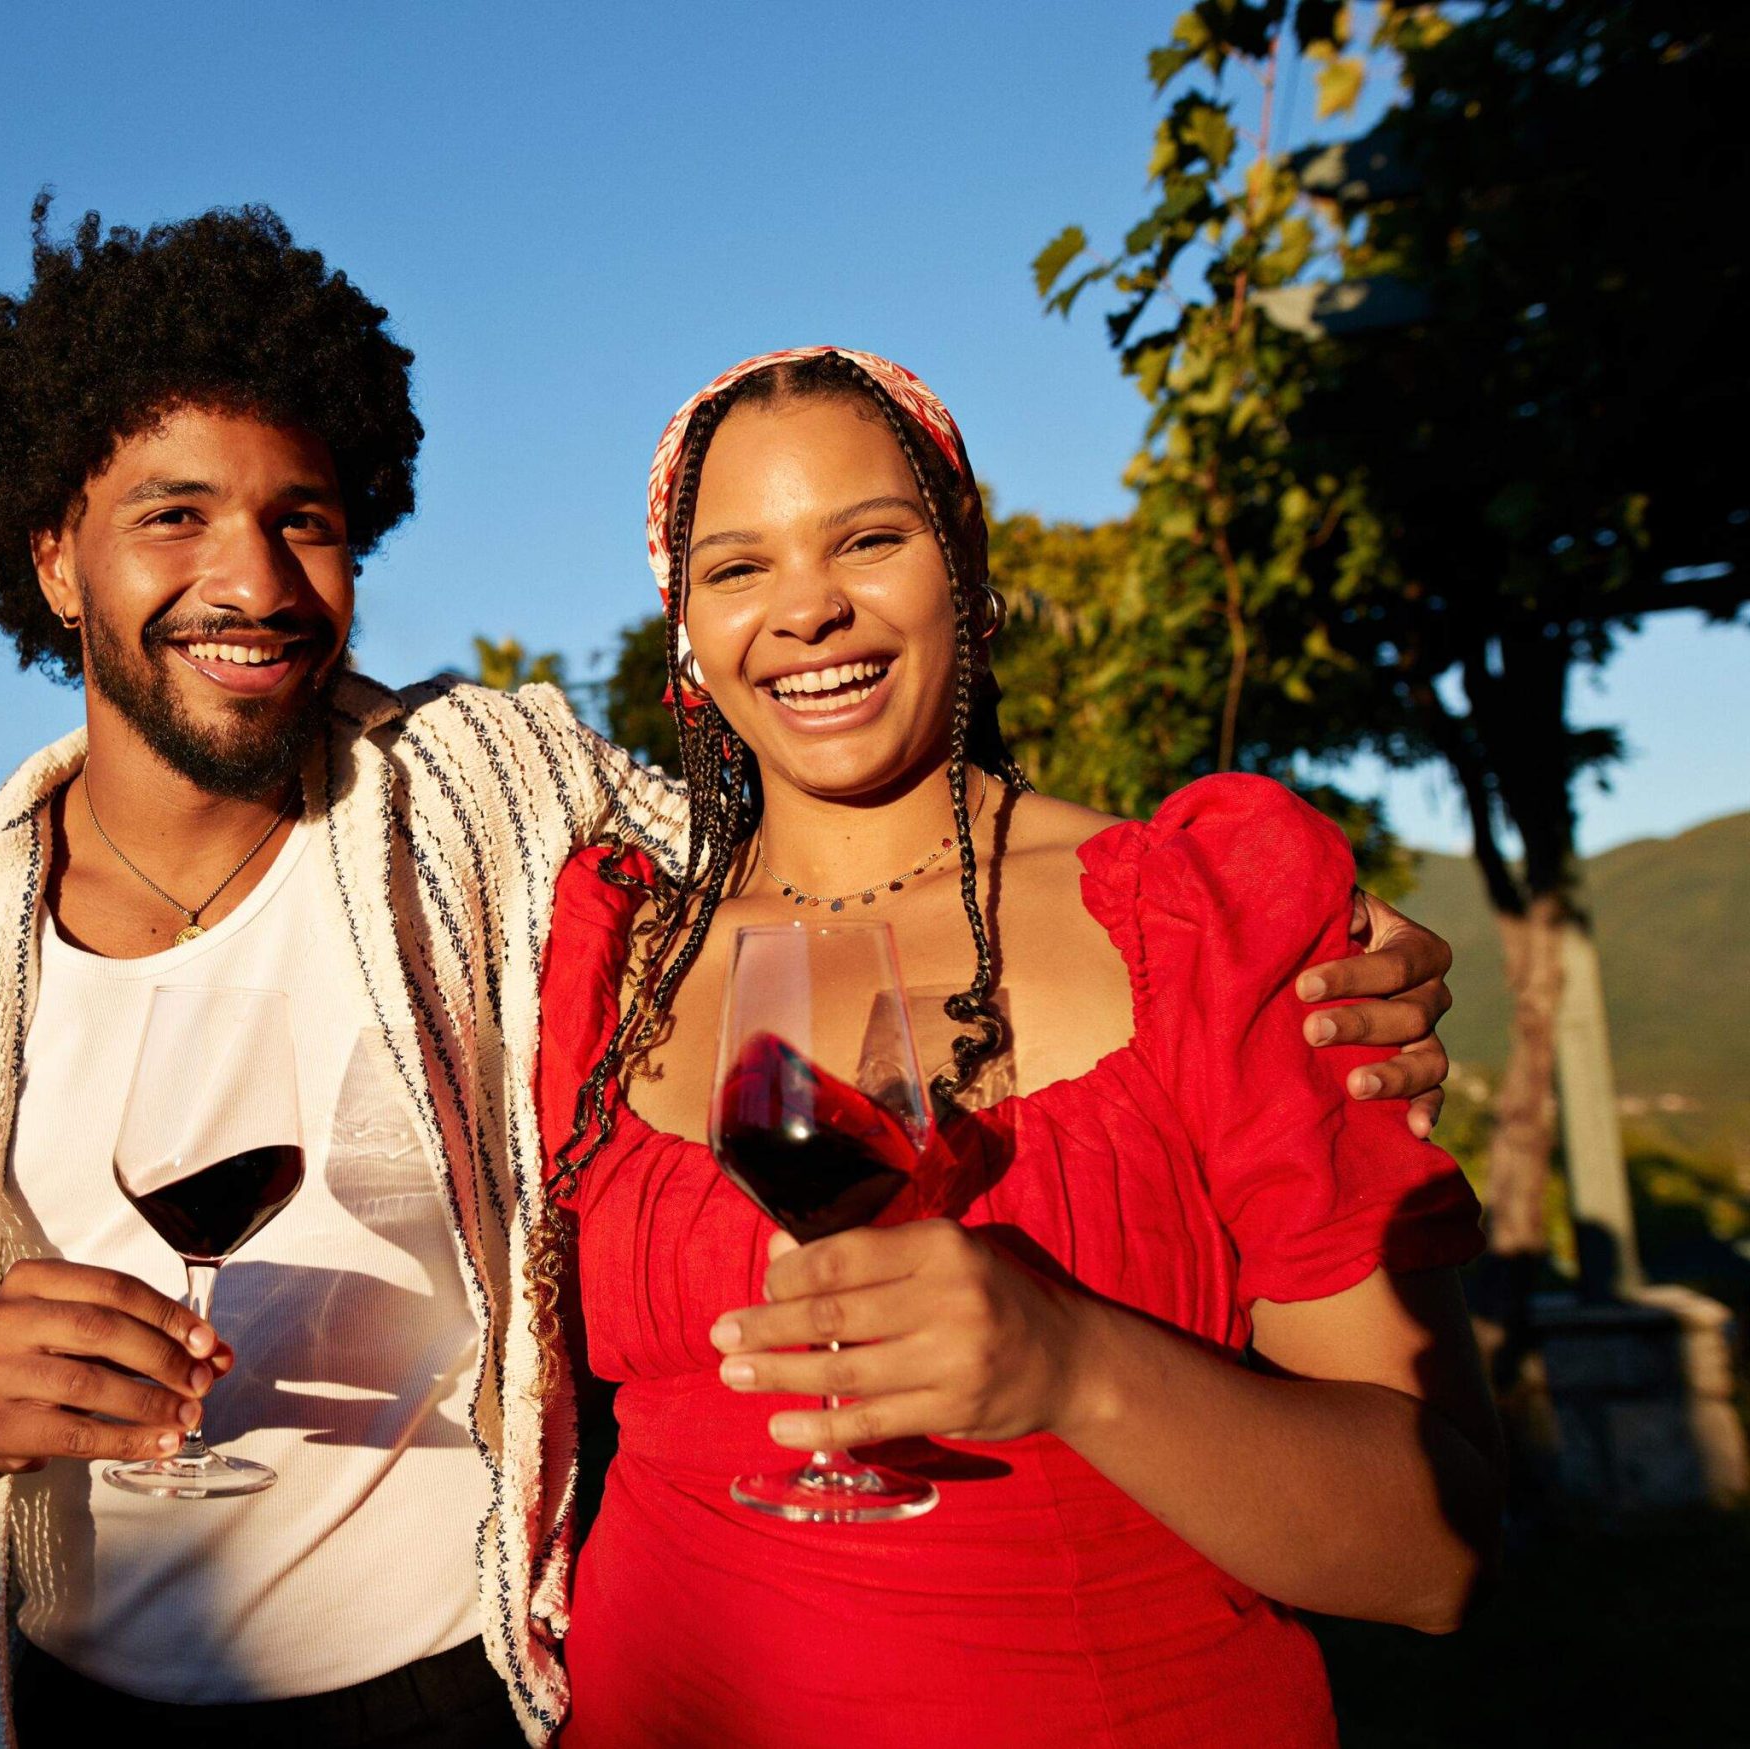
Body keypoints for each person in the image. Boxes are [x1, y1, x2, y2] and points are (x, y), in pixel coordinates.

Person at [0, 200, 1465, 1749]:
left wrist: (1313, 936)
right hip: (78, 1701)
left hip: (456, 1699)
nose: (253, 580)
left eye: (307, 517)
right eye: (173, 516)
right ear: (54, 554)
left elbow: (809, 826)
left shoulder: (504, 809)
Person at [533, 347, 1502, 1749]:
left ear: (964, 560)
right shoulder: (620, 952)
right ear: (685, 628)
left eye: (868, 538)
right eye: (738, 567)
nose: (807, 606)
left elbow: (1440, 1554)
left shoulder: (1195, 920)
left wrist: (1073, 1362)